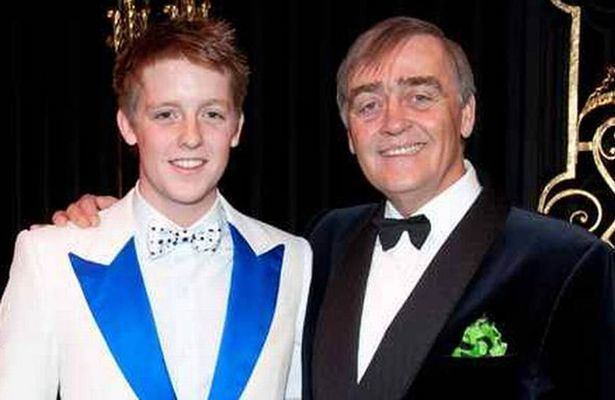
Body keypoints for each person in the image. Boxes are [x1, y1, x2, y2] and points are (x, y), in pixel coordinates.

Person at [47, 16, 615, 400]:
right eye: (369, 104)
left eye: (420, 95)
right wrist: (108, 221)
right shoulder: (322, 242)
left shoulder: (567, 263)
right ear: (349, 133)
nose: (393, 121)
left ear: (465, 114)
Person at [0, 18, 311, 399]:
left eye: (212, 113)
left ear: (237, 127)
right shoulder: (49, 258)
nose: (191, 136)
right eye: (166, 114)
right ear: (128, 126)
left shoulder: (293, 259)